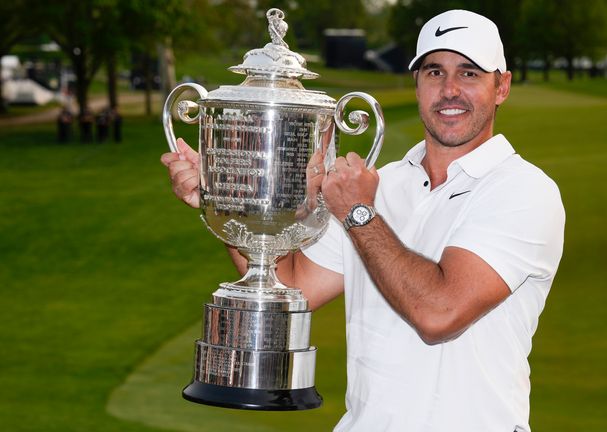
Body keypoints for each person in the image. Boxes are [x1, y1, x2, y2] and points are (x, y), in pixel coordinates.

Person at [161, 9, 564, 432]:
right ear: (417, 83)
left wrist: (357, 213)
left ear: (501, 86)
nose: (449, 90)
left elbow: (439, 313)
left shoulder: (523, 191)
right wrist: (230, 198)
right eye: (434, 72)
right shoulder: (381, 185)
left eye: (469, 74)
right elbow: (293, 286)